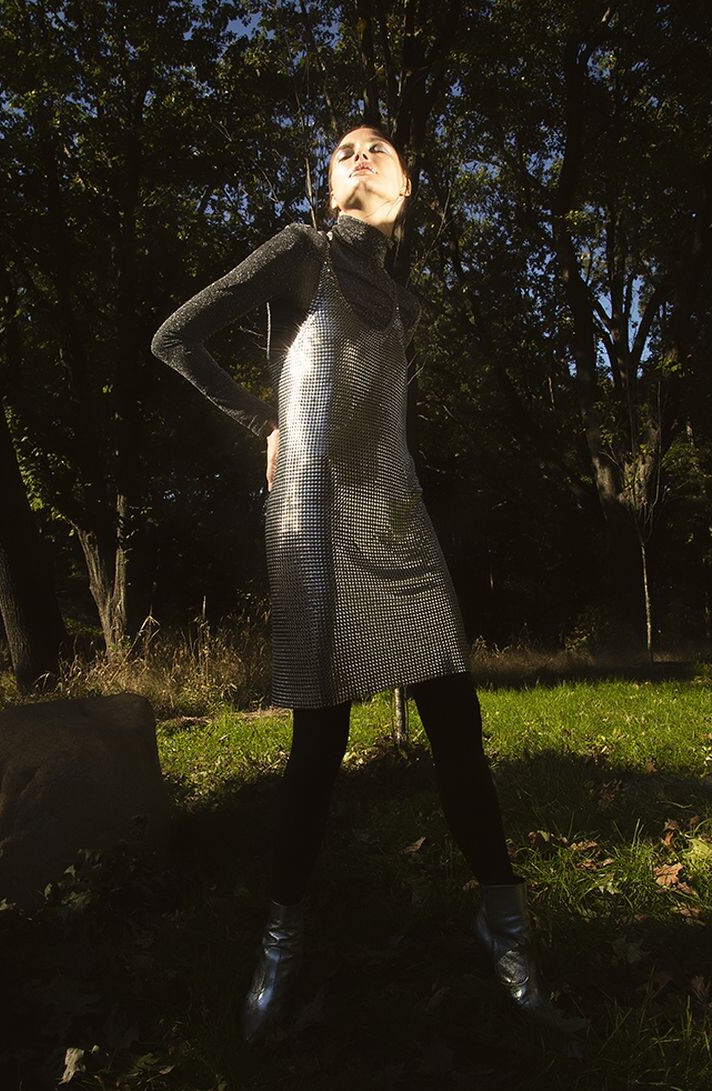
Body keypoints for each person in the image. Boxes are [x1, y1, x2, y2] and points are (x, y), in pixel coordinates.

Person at [151, 121, 579, 1043]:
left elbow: (382, 421)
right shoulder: (299, 252)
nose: (358, 153)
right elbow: (174, 337)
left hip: (397, 521)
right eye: (342, 149)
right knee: (320, 742)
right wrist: (263, 421)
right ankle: (279, 944)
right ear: (327, 183)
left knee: (458, 725)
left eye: (376, 147)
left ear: (407, 187)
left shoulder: (405, 305)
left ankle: (506, 931)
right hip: (312, 518)